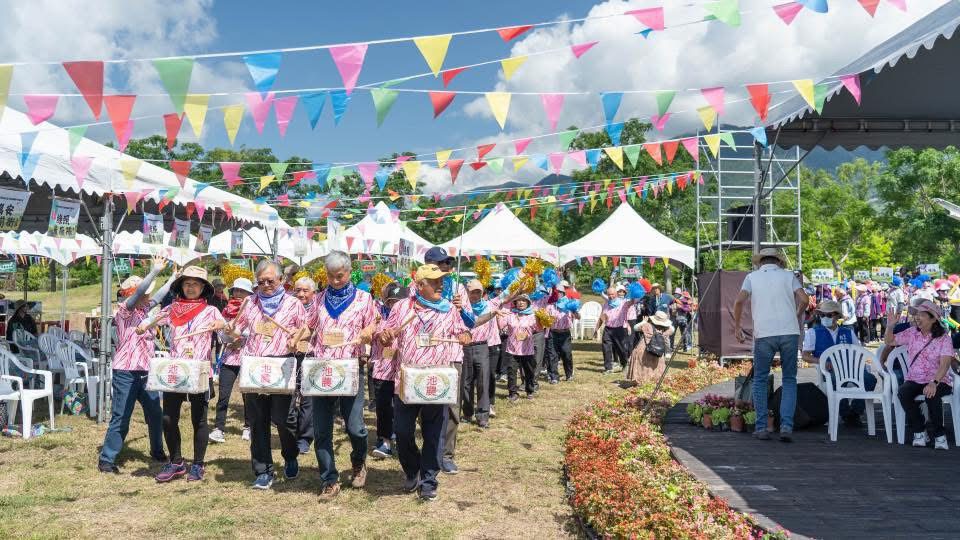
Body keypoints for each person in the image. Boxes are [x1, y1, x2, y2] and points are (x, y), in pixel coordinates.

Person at [379, 263, 472, 502]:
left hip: (437, 380)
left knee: (434, 434)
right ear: (420, 285)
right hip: (407, 379)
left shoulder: (448, 310)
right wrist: (386, 336)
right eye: (435, 281)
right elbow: (386, 335)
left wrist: (464, 336)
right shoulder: (402, 307)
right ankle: (412, 469)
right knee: (402, 430)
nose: (441, 285)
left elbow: (464, 331)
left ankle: (429, 480)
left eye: (441, 281)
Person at [137, 266, 226, 483]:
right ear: (181, 286)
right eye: (187, 283)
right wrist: (142, 326)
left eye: (196, 283)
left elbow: (227, 335)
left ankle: (198, 464)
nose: (191, 287)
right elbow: (150, 320)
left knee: (199, 419)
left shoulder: (211, 311)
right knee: (168, 418)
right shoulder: (172, 308)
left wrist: (222, 325)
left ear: (203, 287)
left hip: (199, 371)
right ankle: (176, 462)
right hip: (175, 371)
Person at [226, 260, 307, 490]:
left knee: (283, 419)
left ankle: (290, 454)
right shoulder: (250, 302)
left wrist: (296, 339)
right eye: (261, 282)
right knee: (257, 421)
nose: (266, 285)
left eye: (270, 281)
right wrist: (231, 332)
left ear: (281, 280)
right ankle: (263, 470)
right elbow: (236, 330)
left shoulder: (293, 304)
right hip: (255, 366)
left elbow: (305, 332)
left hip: (281, 365)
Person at [306, 251, 377, 500]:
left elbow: (374, 324)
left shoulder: (363, 298)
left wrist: (368, 330)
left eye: (340, 276)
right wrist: (297, 336)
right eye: (330, 276)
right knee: (322, 429)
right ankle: (329, 479)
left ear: (348, 272)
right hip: (322, 368)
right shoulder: (318, 299)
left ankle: (359, 462)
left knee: (356, 427)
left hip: (350, 368)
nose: (335, 281)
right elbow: (309, 325)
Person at [97, 256, 174, 474]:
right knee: (122, 415)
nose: (148, 295)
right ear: (133, 293)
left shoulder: (144, 310)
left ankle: (157, 451)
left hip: (145, 371)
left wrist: (174, 278)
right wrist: (155, 271)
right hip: (125, 371)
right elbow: (140, 294)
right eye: (144, 292)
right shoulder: (124, 310)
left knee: (155, 414)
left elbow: (158, 297)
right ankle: (107, 459)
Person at [733, 248, 808, 442]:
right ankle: (786, 426)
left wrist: (737, 326)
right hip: (789, 331)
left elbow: (739, 301)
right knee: (790, 379)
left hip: (764, 333)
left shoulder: (752, 277)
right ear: (779, 262)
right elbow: (805, 299)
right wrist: (797, 314)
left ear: (760, 262)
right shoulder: (789, 275)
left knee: (759, 379)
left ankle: (761, 427)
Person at [423, 246, 473, 475]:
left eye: (448, 264)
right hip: (423, 356)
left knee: (451, 406)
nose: (447, 268)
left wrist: (461, 310)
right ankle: (428, 450)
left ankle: (446, 454)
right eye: (442, 264)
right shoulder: (418, 287)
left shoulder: (457, 288)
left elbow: (471, 323)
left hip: (451, 356)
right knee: (423, 402)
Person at [885, 300, 955, 450]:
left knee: (931, 394)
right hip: (915, 378)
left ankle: (939, 435)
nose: (917, 317)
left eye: (922, 314)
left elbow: (945, 364)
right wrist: (890, 326)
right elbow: (890, 341)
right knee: (903, 392)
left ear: (933, 318)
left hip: (939, 379)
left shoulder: (944, 338)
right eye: (916, 314)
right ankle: (919, 430)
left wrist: (934, 382)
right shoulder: (912, 333)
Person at [800, 300, 875, 426]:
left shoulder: (848, 332)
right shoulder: (813, 332)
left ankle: (856, 411)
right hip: (830, 371)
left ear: (836, 316)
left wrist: (858, 365)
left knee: (870, 379)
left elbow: (859, 351)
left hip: (851, 369)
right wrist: (821, 361)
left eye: (829, 315)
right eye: (822, 315)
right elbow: (805, 356)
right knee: (835, 381)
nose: (825, 318)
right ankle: (845, 413)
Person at [209, 278, 254, 444]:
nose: (238, 294)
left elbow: (256, 331)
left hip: (248, 356)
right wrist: (227, 340)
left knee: (248, 394)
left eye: (242, 291)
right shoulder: (227, 309)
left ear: (250, 294)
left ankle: (248, 427)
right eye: (236, 290)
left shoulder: (254, 309)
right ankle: (219, 428)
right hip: (229, 357)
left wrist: (241, 339)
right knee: (224, 394)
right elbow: (221, 331)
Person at [460, 279, 508, 428]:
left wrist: (524, 276)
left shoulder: (488, 305)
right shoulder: (461, 307)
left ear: (482, 293)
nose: (475, 295)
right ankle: (467, 412)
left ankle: (482, 416)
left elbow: (507, 294)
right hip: (465, 347)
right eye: (472, 292)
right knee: (466, 382)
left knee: (483, 380)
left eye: (478, 292)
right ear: (467, 293)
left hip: (482, 347)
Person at [370, 283, 407, 459]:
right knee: (384, 407)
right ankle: (385, 441)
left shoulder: (410, 317)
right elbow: (371, 333)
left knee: (403, 408)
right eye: (392, 301)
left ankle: (403, 440)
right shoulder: (377, 315)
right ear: (385, 301)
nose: (395, 305)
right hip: (382, 369)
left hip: (403, 369)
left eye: (399, 302)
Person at [291, 276, 319, 455]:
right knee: (289, 396)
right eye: (297, 290)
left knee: (308, 398)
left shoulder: (320, 309)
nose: (300, 294)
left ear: (313, 293)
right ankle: (291, 433)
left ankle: (305, 438)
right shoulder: (288, 307)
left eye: (305, 291)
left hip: (312, 356)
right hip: (291, 356)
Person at [500, 294, 545, 401]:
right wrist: (499, 314)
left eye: (524, 301)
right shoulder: (510, 314)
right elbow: (501, 326)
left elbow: (539, 329)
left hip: (527, 348)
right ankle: (513, 393)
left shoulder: (533, 316)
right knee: (511, 371)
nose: (521, 302)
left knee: (529, 371)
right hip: (512, 348)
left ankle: (529, 391)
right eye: (518, 301)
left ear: (528, 303)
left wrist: (540, 319)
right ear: (515, 303)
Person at [624, 311, 674, 387]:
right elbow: (672, 329)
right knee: (654, 366)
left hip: (643, 348)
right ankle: (654, 381)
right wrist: (666, 324)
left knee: (642, 365)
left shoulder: (646, 325)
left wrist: (643, 321)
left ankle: (640, 381)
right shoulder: (666, 329)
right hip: (657, 350)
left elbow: (635, 327)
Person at [596, 286, 636, 374]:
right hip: (608, 329)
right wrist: (596, 329)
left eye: (612, 294)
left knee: (621, 349)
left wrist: (634, 294)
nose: (611, 296)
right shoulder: (606, 304)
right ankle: (608, 368)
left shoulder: (624, 303)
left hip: (620, 329)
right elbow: (602, 317)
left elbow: (632, 302)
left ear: (616, 294)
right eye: (609, 294)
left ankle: (624, 364)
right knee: (606, 348)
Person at [546, 284, 579, 381]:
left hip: (565, 333)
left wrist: (574, 311)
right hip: (553, 333)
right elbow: (545, 318)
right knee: (552, 355)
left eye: (560, 292)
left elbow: (578, 317)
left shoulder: (569, 304)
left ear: (563, 293)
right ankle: (554, 377)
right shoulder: (550, 305)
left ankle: (569, 374)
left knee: (566, 354)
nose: (558, 294)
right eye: (556, 292)